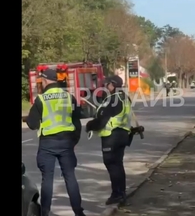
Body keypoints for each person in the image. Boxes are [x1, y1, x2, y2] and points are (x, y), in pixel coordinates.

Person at [26, 68, 86, 216]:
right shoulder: (68, 97)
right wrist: (74, 141)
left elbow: (32, 124)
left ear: (45, 80)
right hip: (66, 142)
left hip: (47, 144)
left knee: (47, 179)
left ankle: (45, 212)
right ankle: (78, 212)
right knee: (70, 176)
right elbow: (77, 121)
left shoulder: (41, 99)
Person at [85, 75, 132, 206]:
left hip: (112, 136)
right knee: (118, 164)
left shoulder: (112, 99)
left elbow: (102, 120)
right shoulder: (124, 97)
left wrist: (89, 126)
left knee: (112, 165)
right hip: (123, 134)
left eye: (107, 84)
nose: (106, 86)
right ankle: (121, 193)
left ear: (112, 84)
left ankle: (117, 194)